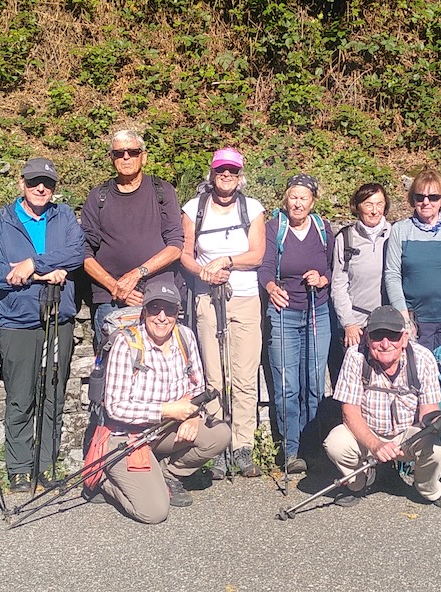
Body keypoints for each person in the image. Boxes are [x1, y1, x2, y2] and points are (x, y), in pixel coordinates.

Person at [0, 157, 87, 493]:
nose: (41, 188)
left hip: (58, 317)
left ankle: (46, 465)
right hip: (17, 320)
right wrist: (41, 274)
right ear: (21, 183)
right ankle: (19, 469)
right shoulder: (1, 220)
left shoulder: (64, 216)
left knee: (53, 394)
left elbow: (77, 253)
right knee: (20, 396)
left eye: (48, 183)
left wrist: (31, 263)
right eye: (34, 182)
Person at [98, 282, 230, 523]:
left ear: (177, 312)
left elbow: (197, 388)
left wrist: (192, 416)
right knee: (154, 512)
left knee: (219, 434)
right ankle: (105, 481)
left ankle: (168, 473)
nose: (162, 317)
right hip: (128, 437)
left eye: (169, 309)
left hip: (166, 430)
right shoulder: (126, 343)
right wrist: (167, 410)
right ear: (144, 311)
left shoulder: (185, 336)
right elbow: (115, 407)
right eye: (155, 308)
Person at [180, 147, 267, 478]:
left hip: (244, 298)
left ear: (240, 175)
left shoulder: (253, 208)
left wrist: (226, 261)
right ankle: (217, 444)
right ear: (212, 174)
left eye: (232, 171)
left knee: (244, 377)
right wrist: (203, 272)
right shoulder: (194, 208)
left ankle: (243, 446)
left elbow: (257, 255)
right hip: (207, 298)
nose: (226, 176)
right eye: (221, 171)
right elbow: (185, 254)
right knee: (213, 377)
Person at [324, 305, 441, 507]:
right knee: (335, 443)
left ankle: (428, 490)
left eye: (393, 336)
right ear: (367, 338)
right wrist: (376, 445)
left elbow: (428, 412)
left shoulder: (423, 358)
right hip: (368, 433)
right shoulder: (355, 357)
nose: (385, 344)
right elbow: (350, 412)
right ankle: (358, 484)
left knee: (440, 447)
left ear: (405, 338)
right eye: (377, 336)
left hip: (408, 435)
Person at [81, 130, 184, 353]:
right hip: (111, 300)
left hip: (159, 298)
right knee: (112, 365)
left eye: (133, 152)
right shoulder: (98, 197)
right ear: (112, 159)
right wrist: (115, 286)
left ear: (143, 157)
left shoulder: (162, 191)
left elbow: (175, 246)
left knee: (160, 365)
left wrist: (137, 274)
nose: (126, 157)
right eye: (119, 153)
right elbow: (84, 253)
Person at [260, 174, 332, 474]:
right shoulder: (274, 228)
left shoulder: (322, 228)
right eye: (293, 197)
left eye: (304, 198)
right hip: (284, 313)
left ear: (313, 201)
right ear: (286, 199)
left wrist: (322, 279)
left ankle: (312, 448)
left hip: (317, 311)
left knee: (314, 384)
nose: (298, 203)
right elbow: (264, 267)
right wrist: (271, 287)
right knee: (287, 387)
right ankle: (290, 451)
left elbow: (333, 267)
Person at [383, 169, 441, 350]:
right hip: (415, 321)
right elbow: (392, 275)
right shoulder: (400, 230)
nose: (426, 202)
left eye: (433, 197)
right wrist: (403, 317)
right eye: (420, 197)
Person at [331, 183, 391, 350]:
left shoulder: (395, 234)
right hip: (356, 326)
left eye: (379, 204)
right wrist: (348, 323)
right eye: (368, 204)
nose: (374, 211)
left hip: (389, 323)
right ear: (357, 207)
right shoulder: (346, 238)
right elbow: (338, 285)